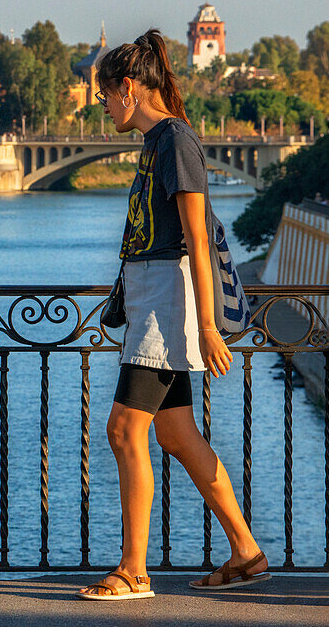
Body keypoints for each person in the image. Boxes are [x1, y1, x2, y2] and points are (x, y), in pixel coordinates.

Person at [77, 30, 269, 601]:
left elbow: (196, 239)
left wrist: (208, 325)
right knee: (176, 432)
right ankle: (246, 552)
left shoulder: (176, 142)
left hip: (166, 303)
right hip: (151, 298)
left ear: (130, 89)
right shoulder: (159, 141)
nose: (102, 103)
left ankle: (134, 570)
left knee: (122, 430)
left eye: (106, 93)